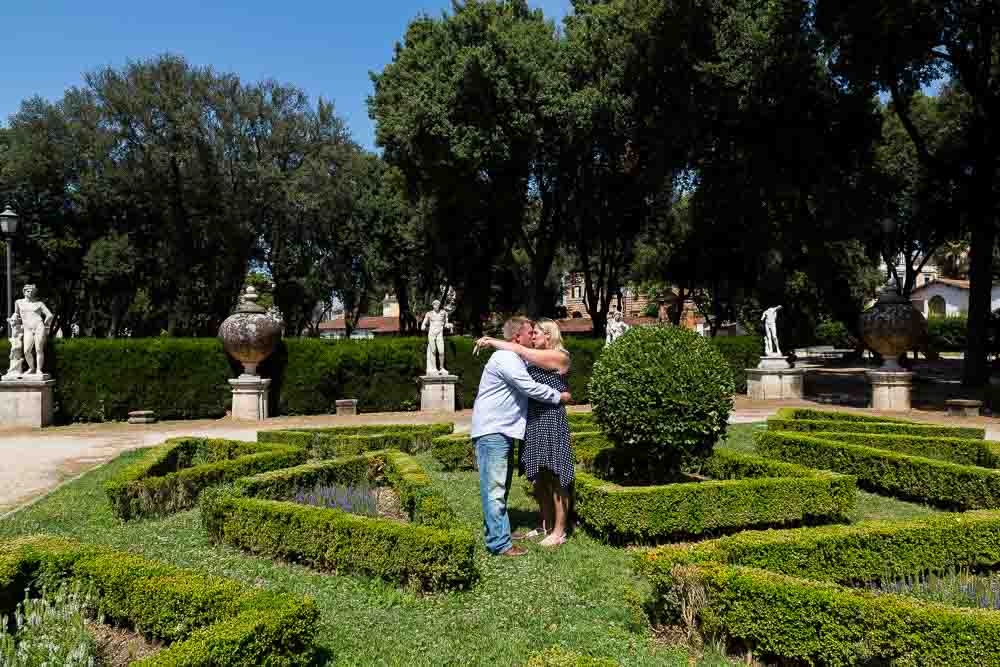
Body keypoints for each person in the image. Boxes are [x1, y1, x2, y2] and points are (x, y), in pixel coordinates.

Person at [471, 317, 571, 557]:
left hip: (529, 425)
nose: (532, 336)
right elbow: (529, 387)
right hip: (497, 430)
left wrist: (492, 341)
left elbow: (529, 360)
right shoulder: (507, 358)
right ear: (518, 336)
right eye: (530, 332)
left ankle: (511, 534)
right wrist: (560, 396)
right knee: (499, 488)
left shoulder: (537, 357)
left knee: (543, 478)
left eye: (537, 332)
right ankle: (500, 542)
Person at [13, 284, 54, 376]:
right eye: (28, 291)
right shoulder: (18, 302)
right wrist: (14, 319)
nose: (30, 293)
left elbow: (49, 315)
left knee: (39, 349)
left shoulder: (39, 304)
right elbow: (16, 314)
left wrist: (46, 324)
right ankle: (32, 368)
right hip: (27, 328)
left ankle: (39, 369)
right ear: (24, 292)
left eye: (32, 291)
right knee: (26, 351)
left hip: (39, 326)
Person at [421, 300, 453, 375]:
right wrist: (423, 326)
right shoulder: (429, 314)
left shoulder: (444, 313)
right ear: (433, 306)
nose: (436, 306)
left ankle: (442, 368)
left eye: (438, 305)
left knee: (441, 351)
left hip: (440, 334)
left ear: (439, 305)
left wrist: (449, 325)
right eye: (435, 305)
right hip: (431, 334)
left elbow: (446, 324)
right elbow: (423, 324)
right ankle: (434, 368)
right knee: (433, 351)